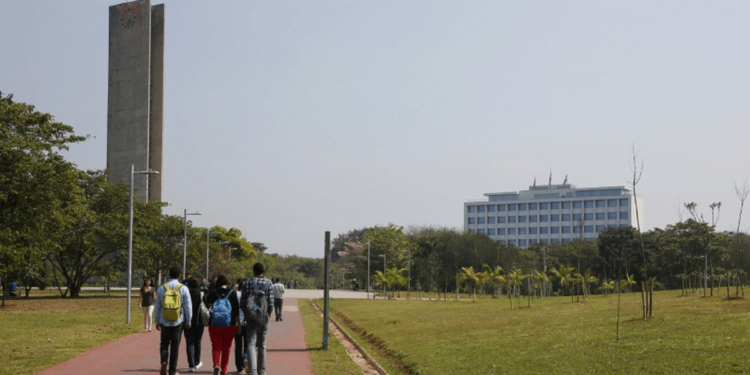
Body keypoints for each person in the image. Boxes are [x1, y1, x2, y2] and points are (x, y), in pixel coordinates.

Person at [154, 266, 192, 375]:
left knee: (164, 343)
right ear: (179, 275)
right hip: (178, 321)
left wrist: (157, 321)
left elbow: (158, 306)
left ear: (169, 274)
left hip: (164, 320)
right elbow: (188, 306)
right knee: (175, 346)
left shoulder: (162, 288)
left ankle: (164, 361)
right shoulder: (183, 288)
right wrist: (188, 321)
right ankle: (172, 370)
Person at [240, 263, 274, 375]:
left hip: (250, 318)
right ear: (263, 271)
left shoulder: (247, 282)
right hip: (264, 317)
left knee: (250, 343)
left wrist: (247, 314)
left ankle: (252, 371)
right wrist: (267, 316)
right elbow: (271, 304)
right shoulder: (269, 283)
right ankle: (261, 371)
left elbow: (243, 302)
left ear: (253, 271)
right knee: (262, 345)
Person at [205, 274, 241, 375]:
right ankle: (224, 370)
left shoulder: (213, 293)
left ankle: (216, 364)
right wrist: (238, 325)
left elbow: (206, 304)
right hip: (230, 324)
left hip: (214, 324)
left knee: (216, 346)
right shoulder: (232, 293)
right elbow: (236, 311)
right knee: (226, 348)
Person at [185, 278, 205, 372]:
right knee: (197, 342)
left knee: (189, 343)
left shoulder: (186, 294)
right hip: (199, 321)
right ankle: (197, 362)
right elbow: (207, 305)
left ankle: (191, 364)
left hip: (188, 321)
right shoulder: (201, 294)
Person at [234, 278, 247, 374]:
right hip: (248, 324)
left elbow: (234, 311)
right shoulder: (249, 295)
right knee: (248, 345)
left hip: (238, 323)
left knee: (238, 346)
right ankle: (246, 358)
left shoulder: (236, 295)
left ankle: (239, 367)